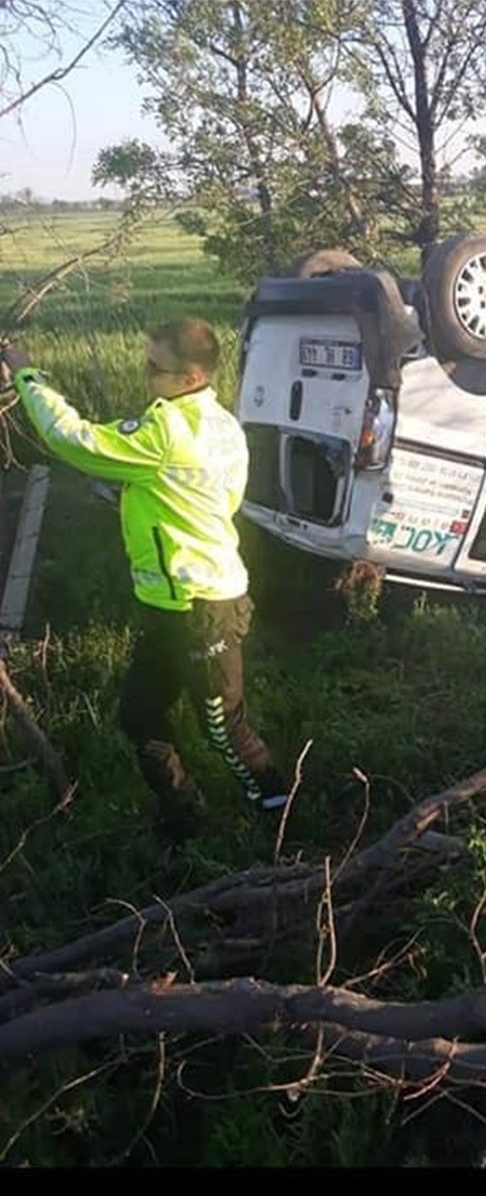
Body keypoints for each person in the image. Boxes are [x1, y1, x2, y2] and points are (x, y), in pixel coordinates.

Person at [0, 318, 288, 839]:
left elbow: (73, 439)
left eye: (156, 367)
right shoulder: (222, 424)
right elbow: (219, 500)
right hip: (168, 605)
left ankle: (282, 819)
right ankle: (182, 816)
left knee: (223, 727)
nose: (145, 373)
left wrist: (26, 374)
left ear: (190, 376)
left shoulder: (168, 432)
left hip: (203, 605)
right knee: (139, 715)